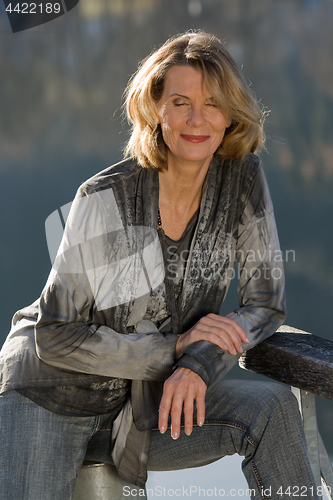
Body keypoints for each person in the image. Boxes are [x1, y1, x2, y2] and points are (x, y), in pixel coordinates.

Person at [0, 31, 318, 499]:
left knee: (270, 409)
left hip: (145, 401)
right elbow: (55, 334)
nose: (197, 119)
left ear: (230, 114)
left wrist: (196, 362)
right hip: (47, 393)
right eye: (180, 101)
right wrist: (173, 348)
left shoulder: (242, 180)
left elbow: (265, 305)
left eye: (212, 103)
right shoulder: (103, 198)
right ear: (154, 109)